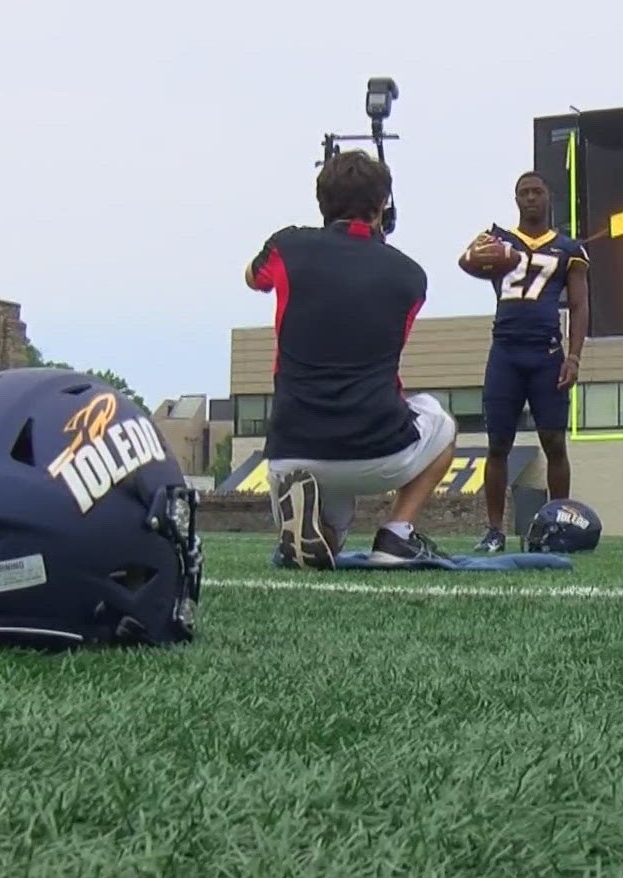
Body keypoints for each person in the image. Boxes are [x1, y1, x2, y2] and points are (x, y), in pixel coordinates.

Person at [244, 149, 456, 569]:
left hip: (291, 450)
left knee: (329, 538)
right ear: (383, 206)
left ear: (322, 202)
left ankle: (317, 529)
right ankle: (397, 535)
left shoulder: (287, 246)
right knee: (442, 422)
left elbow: (253, 278)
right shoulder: (410, 276)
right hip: (374, 451)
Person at [459, 171, 590, 552]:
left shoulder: (568, 248)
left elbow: (580, 305)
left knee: (554, 442)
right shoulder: (498, 238)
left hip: (547, 353)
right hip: (505, 352)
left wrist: (575, 356)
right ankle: (495, 530)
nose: (530, 198)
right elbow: (466, 260)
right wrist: (479, 252)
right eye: (523, 193)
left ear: (548, 197)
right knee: (498, 443)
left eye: (537, 191)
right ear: (515, 200)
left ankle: (557, 526)